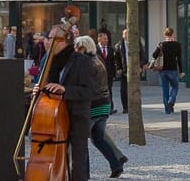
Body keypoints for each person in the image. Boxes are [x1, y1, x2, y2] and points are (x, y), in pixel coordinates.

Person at [36, 27, 95, 181]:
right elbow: (49, 87)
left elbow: (89, 91)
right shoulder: (50, 61)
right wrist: (40, 89)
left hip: (77, 117)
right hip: (55, 118)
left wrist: (65, 89)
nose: (46, 41)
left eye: (49, 38)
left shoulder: (82, 61)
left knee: (77, 161)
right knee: (57, 159)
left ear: (60, 41)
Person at [77, 35, 127, 178]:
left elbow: (87, 86)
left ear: (83, 48)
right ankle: (116, 164)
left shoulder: (86, 63)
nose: (75, 50)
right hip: (104, 104)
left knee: (81, 140)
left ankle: (83, 173)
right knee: (98, 138)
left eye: (77, 47)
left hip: (93, 105)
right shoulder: (98, 59)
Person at [148, 28, 181, 114]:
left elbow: (154, 55)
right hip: (173, 70)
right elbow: (180, 59)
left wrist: (159, 47)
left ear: (165, 35)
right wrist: (181, 71)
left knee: (165, 89)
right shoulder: (177, 45)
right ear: (173, 34)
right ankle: (171, 100)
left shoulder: (161, 44)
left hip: (162, 70)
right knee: (175, 87)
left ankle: (167, 110)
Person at [95, 32, 118, 113]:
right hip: (99, 75)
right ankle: (101, 108)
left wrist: (114, 73)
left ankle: (110, 108)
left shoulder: (110, 49)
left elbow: (113, 62)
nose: (107, 40)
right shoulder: (95, 49)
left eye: (107, 39)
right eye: (105, 39)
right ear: (99, 39)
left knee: (109, 91)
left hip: (109, 74)